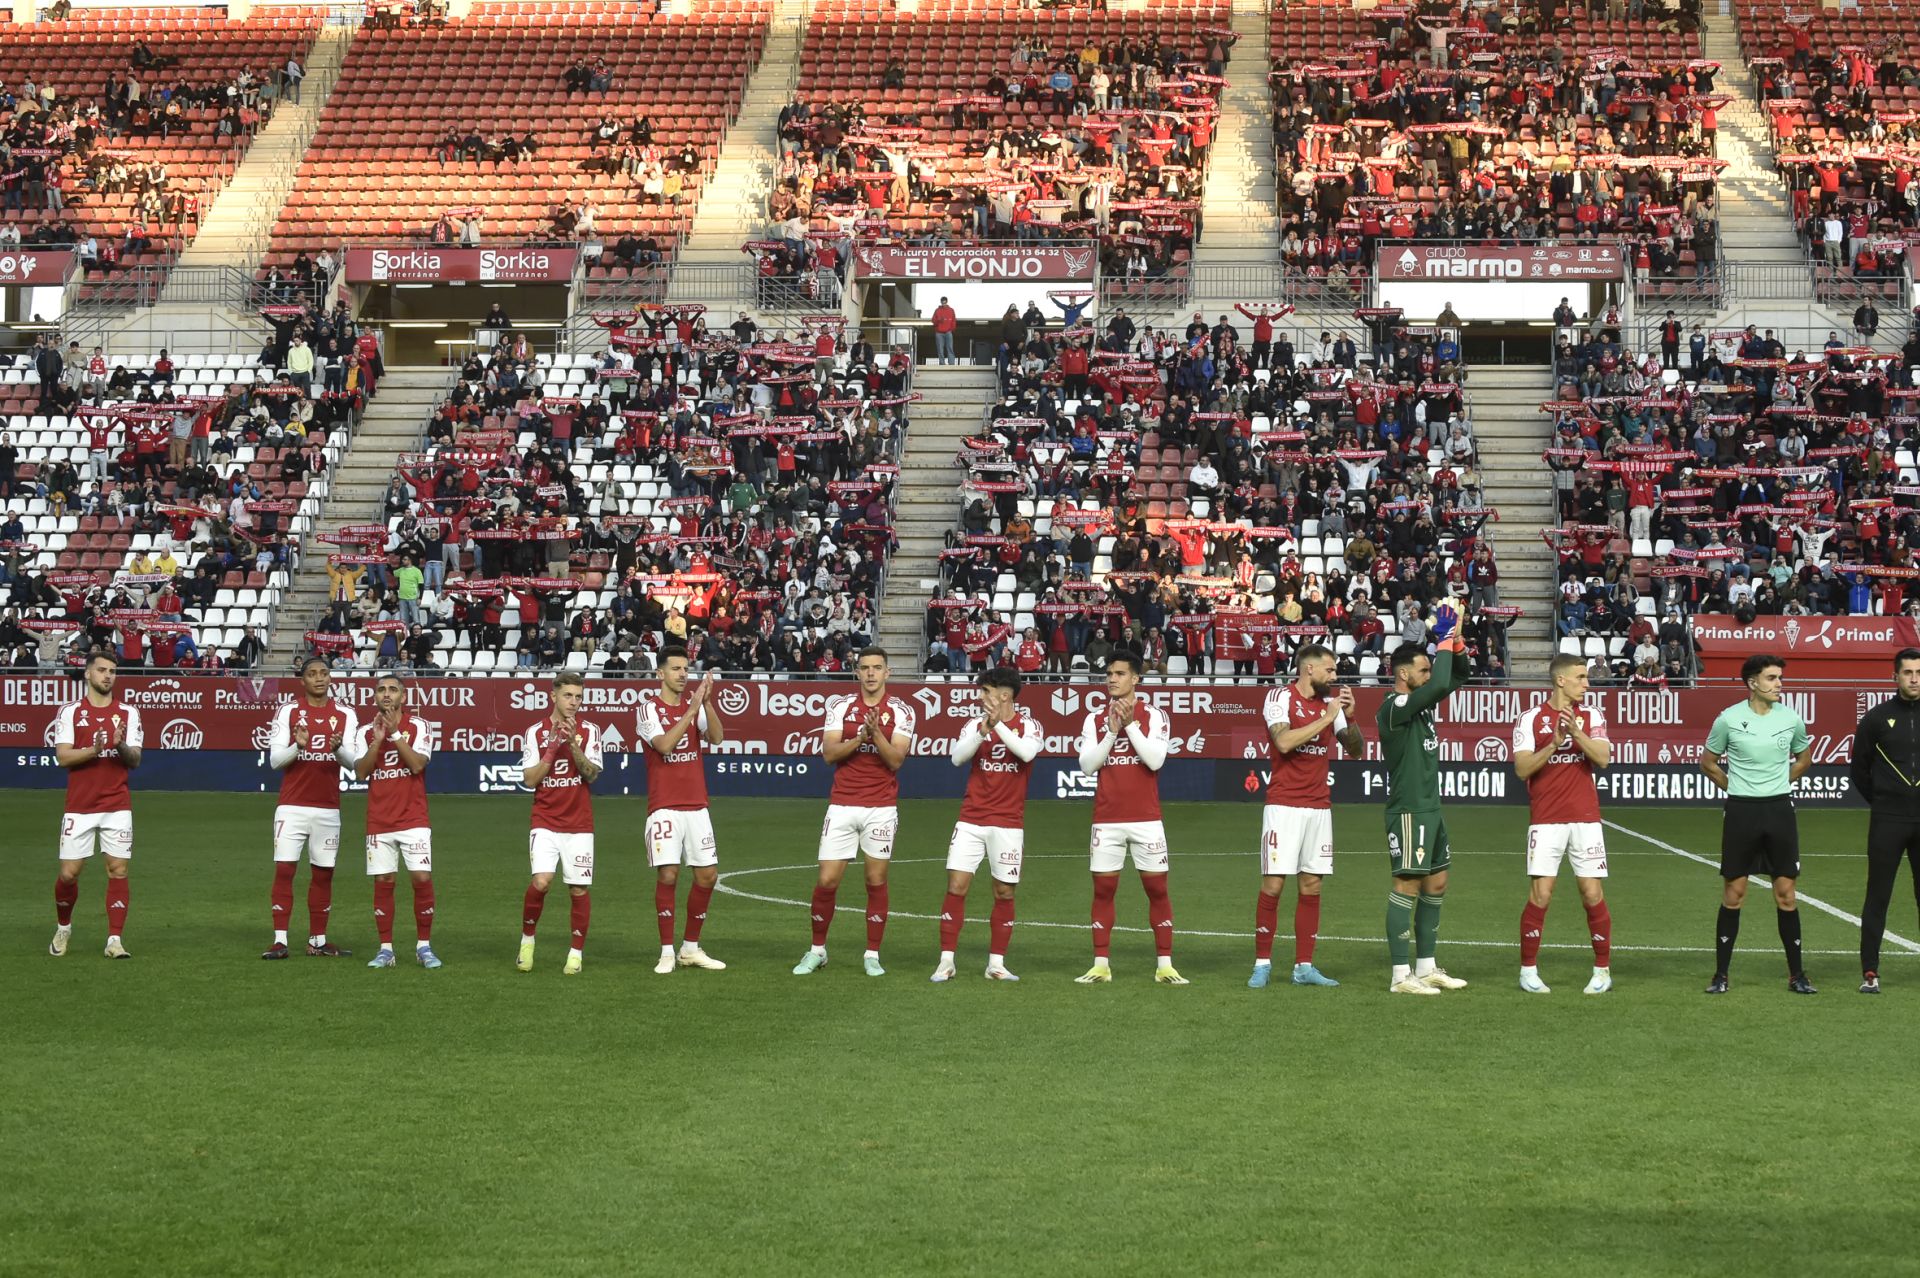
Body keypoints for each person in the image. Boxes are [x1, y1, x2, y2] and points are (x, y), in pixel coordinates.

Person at [793, 647, 914, 976]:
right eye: (865, 668)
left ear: (888, 673)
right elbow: (829, 754)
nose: (871, 673)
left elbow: (896, 760)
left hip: (881, 808)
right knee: (827, 880)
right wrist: (862, 736)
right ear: (857, 673)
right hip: (843, 804)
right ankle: (817, 950)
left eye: (877, 668)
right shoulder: (840, 706)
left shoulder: (902, 711)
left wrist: (876, 734)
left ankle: (872, 954)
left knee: (876, 880)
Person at [1251, 643, 1365, 989]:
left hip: (1318, 806)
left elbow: (1356, 750)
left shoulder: (1331, 707)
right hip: (1283, 805)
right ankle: (1262, 964)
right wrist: (1327, 718)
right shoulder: (1279, 698)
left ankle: (1303, 966)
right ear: (1310, 670)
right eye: (1330, 670)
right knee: (1274, 884)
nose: (1335, 676)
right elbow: (1283, 742)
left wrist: (1350, 717)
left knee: (1312, 884)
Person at [1700, 653, 1814, 995]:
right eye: (1771, 678)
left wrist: (1779, 783)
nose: (1779, 684)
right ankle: (1721, 975)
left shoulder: (1791, 719)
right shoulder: (1728, 719)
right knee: (1734, 894)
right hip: (1741, 813)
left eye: (1779, 677)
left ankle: (1797, 975)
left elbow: (1804, 757)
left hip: (1779, 810)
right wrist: (1735, 787)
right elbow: (1708, 762)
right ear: (1753, 683)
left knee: (1786, 895)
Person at [1376, 606, 1473, 994]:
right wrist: (1443, 638)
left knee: (1436, 883)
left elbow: (1456, 678)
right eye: (1422, 669)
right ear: (1403, 674)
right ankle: (1401, 976)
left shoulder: (1421, 705)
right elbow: (1438, 686)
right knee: (1407, 884)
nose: (1429, 675)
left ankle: (1427, 966)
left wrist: (1458, 642)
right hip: (1409, 809)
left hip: (1430, 809)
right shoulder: (1395, 708)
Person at [1075, 648, 1184, 985]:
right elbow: (1088, 765)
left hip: (1146, 819)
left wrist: (1130, 725)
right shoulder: (1094, 719)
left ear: (1136, 678)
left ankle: (1164, 965)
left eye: (1119, 673)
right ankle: (1101, 964)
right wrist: (1111, 731)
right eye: (1109, 673)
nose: (1111, 679)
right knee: (1103, 890)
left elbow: (1155, 761)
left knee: (1157, 889)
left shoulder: (1157, 716)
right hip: (1106, 819)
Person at [1510, 653, 1615, 995]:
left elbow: (1602, 759)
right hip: (1546, 819)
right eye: (1581, 677)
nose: (1587, 683)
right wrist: (1555, 743)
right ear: (1561, 680)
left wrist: (1576, 734)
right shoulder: (1531, 718)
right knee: (1541, 895)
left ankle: (1602, 971)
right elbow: (1523, 769)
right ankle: (1528, 971)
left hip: (1585, 818)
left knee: (1592, 893)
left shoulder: (1592, 715)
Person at [935, 666, 1041, 982]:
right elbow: (956, 758)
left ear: (1004, 695)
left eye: (986, 690)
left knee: (1004, 892)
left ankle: (996, 963)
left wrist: (998, 727)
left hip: (1008, 823)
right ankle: (946, 961)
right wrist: (984, 729)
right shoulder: (974, 724)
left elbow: (1026, 753)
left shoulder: (1029, 725)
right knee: (956, 886)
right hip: (971, 818)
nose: (981, 696)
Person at [636, 645, 728, 976]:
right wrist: (690, 711)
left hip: (696, 806)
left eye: (685, 669)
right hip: (664, 807)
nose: (682, 674)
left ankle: (690, 948)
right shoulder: (648, 710)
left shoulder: (696, 707)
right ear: (660, 673)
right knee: (669, 874)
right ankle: (665, 951)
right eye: (675, 669)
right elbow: (663, 746)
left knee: (707, 875)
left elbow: (717, 737)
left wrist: (706, 703)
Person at [262, 655, 358, 959]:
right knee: (285, 869)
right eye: (313, 674)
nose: (320, 678)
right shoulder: (288, 711)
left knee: (324, 873)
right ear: (302, 681)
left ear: (331, 678)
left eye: (324, 673)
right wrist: (298, 746)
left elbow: (354, 764)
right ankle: (280, 941)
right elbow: (275, 761)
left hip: (328, 808)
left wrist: (338, 749)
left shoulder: (346, 714)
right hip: (292, 807)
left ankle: (318, 941)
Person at [50, 653, 143, 959]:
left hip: (117, 803)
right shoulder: (70, 712)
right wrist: (95, 749)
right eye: (102, 670)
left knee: (117, 870)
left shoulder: (128, 713)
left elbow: (135, 760)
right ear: (88, 674)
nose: (108, 676)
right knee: (68, 874)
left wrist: (119, 745)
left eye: (112, 671)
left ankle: (114, 940)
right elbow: (63, 757)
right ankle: (64, 927)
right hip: (79, 805)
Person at [516, 670, 603, 976]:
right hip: (545, 819)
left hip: (579, 823)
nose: (574, 702)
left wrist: (573, 744)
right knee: (541, 881)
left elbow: (592, 774)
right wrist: (553, 746)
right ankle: (527, 940)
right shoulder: (535, 732)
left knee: (578, 889)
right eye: (568, 695)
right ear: (553, 695)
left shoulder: (591, 730)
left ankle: (575, 954)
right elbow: (529, 780)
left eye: (579, 696)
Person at [354, 673, 441, 970]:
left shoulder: (418, 726)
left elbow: (417, 765)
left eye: (393, 690)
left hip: (413, 817)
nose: (387, 694)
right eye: (381, 690)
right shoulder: (364, 731)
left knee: (421, 878)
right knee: (384, 880)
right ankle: (386, 949)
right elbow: (361, 772)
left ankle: (424, 946)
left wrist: (394, 734)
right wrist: (378, 742)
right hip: (379, 819)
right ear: (375, 697)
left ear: (403, 697)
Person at [1847, 647, 1920, 994]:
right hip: (1888, 820)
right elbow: (1859, 770)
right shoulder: (1876, 719)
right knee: (1878, 895)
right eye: (1907, 672)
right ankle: (1870, 971)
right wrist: (1882, 801)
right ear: (1895, 677)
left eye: (1919, 672)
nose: (1914, 678)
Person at [932, 296, 958, 365]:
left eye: (945, 302)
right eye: (942, 302)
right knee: (940, 349)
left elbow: (954, 320)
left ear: (946, 301)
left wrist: (951, 329)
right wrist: (939, 320)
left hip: (948, 332)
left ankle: (951, 363)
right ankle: (942, 363)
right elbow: (933, 321)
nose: (944, 303)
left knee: (950, 348)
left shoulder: (951, 310)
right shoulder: (937, 310)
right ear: (941, 302)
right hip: (939, 333)